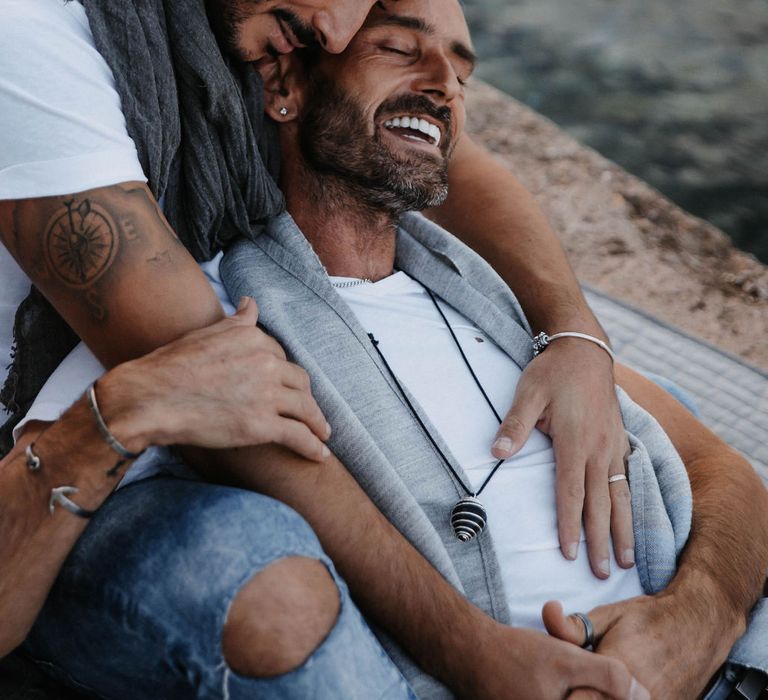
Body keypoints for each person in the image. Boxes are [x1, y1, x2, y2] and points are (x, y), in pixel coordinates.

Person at [14, 0, 768, 698]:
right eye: (399, 46)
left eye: (464, 75)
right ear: (283, 85)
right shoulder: (230, 309)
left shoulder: (488, 305)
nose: (445, 87)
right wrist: (480, 654)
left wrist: (698, 619)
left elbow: (724, 471)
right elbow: (209, 386)